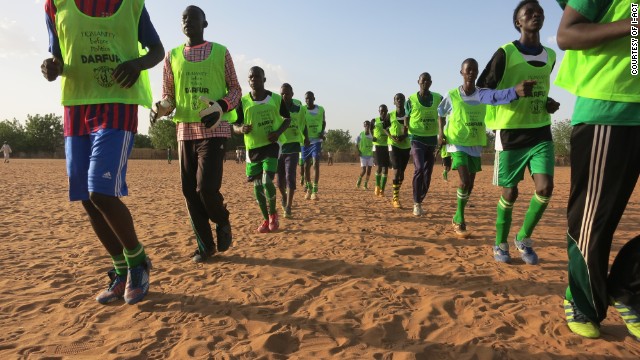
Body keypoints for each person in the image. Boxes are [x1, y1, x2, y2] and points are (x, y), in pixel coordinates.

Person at [41, 0, 163, 304]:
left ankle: (138, 263)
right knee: (85, 197)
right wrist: (50, 67)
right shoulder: (55, 5)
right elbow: (57, 55)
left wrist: (136, 64)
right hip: (76, 106)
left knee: (100, 192)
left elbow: (157, 51)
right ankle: (121, 271)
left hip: (116, 106)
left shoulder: (131, 4)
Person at [554, 0, 640, 340]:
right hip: (609, 110)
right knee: (593, 220)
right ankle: (583, 300)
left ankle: (628, 287)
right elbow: (566, 34)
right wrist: (633, 25)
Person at [152, 5, 239, 263]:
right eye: (183, 18)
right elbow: (169, 96)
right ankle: (205, 246)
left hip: (214, 130)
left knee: (206, 188)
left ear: (205, 23)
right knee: (190, 191)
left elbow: (235, 90)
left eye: (193, 17)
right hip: (185, 131)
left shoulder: (221, 52)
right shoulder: (172, 56)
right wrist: (161, 108)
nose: (188, 21)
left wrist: (221, 106)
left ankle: (222, 220)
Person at [477, 0, 561, 265]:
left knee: (545, 188)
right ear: (518, 22)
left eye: (540, 13)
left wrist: (548, 102)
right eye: (529, 13)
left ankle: (523, 237)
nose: (536, 16)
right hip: (511, 134)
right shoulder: (505, 53)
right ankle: (500, 242)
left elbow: (542, 90)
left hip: (540, 131)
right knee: (510, 193)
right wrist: (513, 92)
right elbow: (480, 92)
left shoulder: (551, 55)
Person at [438, 58, 535, 237]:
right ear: (461, 72)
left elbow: (497, 105)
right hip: (456, 142)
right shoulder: (451, 95)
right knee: (465, 181)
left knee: (471, 185)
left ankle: (458, 213)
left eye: (474, 70)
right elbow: (440, 113)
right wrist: (440, 133)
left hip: (475, 143)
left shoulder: (483, 95)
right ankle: (459, 218)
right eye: (468, 70)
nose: (471, 73)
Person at [233, 66, 290, 233]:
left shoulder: (275, 99)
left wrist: (278, 132)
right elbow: (234, 126)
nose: (254, 79)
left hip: (271, 146)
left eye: (257, 77)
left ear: (264, 79)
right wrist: (241, 128)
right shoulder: (243, 102)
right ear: (248, 80)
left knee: (266, 182)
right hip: (252, 149)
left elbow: (287, 119)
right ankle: (266, 220)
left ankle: (273, 215)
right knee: (257, 187)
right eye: (251, 77)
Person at [406, 73, 442, 214]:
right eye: (423, 80)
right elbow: (406, 118)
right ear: (418, 82)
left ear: (431, 83)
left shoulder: (438, 98)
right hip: (416, 139)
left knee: (428, 173)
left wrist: (441, 134)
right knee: (419, 168)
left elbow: (442, 116)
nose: (425, 82)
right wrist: (405, 131)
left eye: (428, 80)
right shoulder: (411, 100)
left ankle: (420, 201)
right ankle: (416, 203)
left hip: (432, 140)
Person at [277, 83, 307, 218]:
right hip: (279, 147)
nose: (284, 96)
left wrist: (305, 137)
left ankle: (288, 206)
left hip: (294, 146)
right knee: (279, 182)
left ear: (292, 94)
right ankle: (284, 196)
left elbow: (303, 124)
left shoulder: (299, 109)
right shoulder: (276, 108)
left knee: (290, 176)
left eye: (287, 93)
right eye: (282, 93)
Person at [386, 94, 412, 211]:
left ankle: (396, 190)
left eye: (402, 99)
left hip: (405, 145)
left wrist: (404, 136)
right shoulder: (390, 115)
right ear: (394, 102)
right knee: (396, 171)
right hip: (393, 145)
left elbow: (408, 129)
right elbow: (385, 128)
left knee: (401, 174)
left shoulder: (408, 115)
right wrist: (391, 136)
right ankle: (395, 198)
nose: (400, 101)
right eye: (397, 99)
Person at [301, 91, 326, 200]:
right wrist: (304, 137)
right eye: (306, 99)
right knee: (306, 166)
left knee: (316, 163)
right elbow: (301, 124)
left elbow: (324, 122)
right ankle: (309, 187)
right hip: (305, 141)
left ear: (314, 98)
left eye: (310, 98)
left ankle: (315, 191)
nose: (308, 100)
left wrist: (322, 132)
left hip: (316, 140)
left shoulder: (321, 109)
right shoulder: (302, 109)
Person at [371, 105, 390, 197]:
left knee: (385, 168)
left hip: (386, 145)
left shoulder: (389, 121)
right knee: (379, 167)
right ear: (378, 111)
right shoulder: (374, 121)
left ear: (387, 111)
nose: (382, 113)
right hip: (378, 146)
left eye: (384, 111)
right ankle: (377, 186)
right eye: (381, 111)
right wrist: (373, 137)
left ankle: (382, 189)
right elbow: (370, 130)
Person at [355, 120, 374, 190]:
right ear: (364, 126)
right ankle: (359, 180)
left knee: (369, 170)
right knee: (364, 170)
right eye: (366, 125)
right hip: (363, 155)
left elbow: (375, 143)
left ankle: (365, 184)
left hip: (370, 155)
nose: (367, 126)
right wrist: (358, 151)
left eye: (368, 125)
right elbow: (356, 143)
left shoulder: (372, 135)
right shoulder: (361, 134)